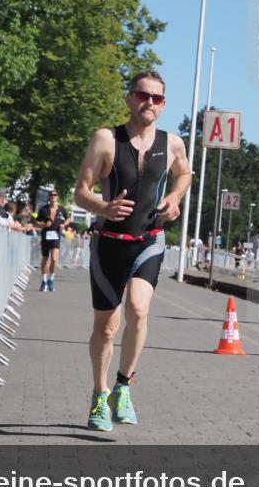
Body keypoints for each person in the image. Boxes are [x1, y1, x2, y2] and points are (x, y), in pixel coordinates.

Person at [73, 71, 191, 432]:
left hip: (148, 240)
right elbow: (81, 191)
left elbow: (184, 173)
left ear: (164, 104)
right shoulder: (106, 139)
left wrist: (175, 197)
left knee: (139, 309)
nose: (149, 103)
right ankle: (100, 394)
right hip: (109, 244)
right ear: (129, 98)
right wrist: (102, 207)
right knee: (106, 328)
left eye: (157, 98)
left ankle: (123, 387)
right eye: (143, 95)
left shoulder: (172, 143)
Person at [37, 191, 71, 291]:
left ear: (57, 197)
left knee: (54, 259)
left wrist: (64, 224)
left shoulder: (61, 209)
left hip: (56, 236)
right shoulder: (43, 209)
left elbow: (68, 218)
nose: (53, 196)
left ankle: (51, 280)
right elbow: (36, 221)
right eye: (51, 195)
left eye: (55, 195)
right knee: (45, 258)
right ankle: (44, 281)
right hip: (45, 236)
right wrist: (43, 225)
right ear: (48, 197)